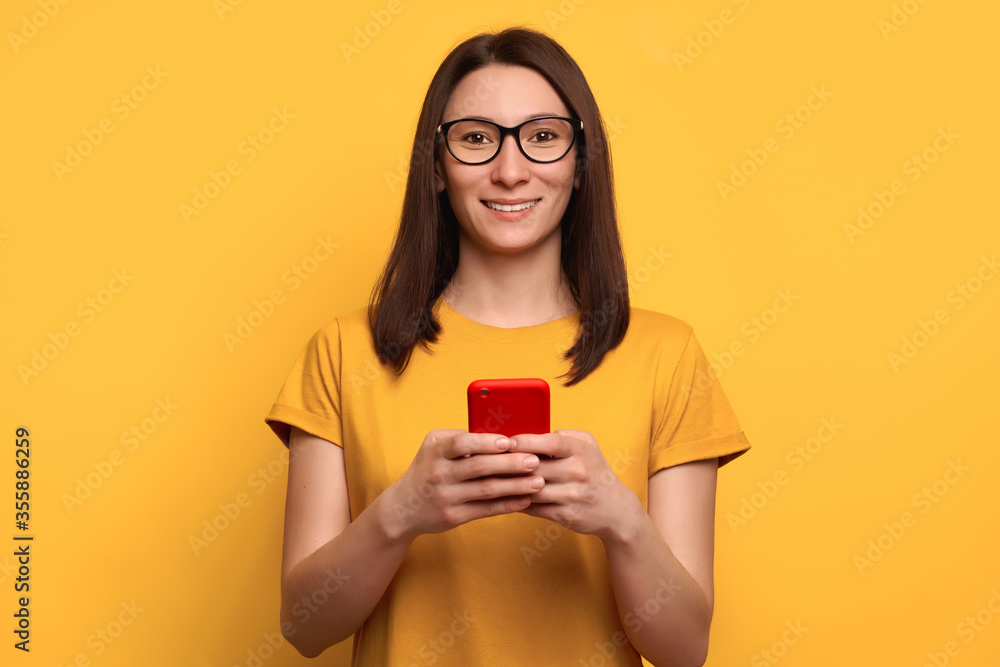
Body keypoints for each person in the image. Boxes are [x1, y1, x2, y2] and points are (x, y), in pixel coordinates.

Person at [265, 26, 750, 667]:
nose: (511, 170)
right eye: (476, 139)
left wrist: (622, 521)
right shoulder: (343, 352)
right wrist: (403, 511)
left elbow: (686, 650)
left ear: (581, 164)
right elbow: (303, 627)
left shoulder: (667, 354)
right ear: (436, 167)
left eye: (543, 137)